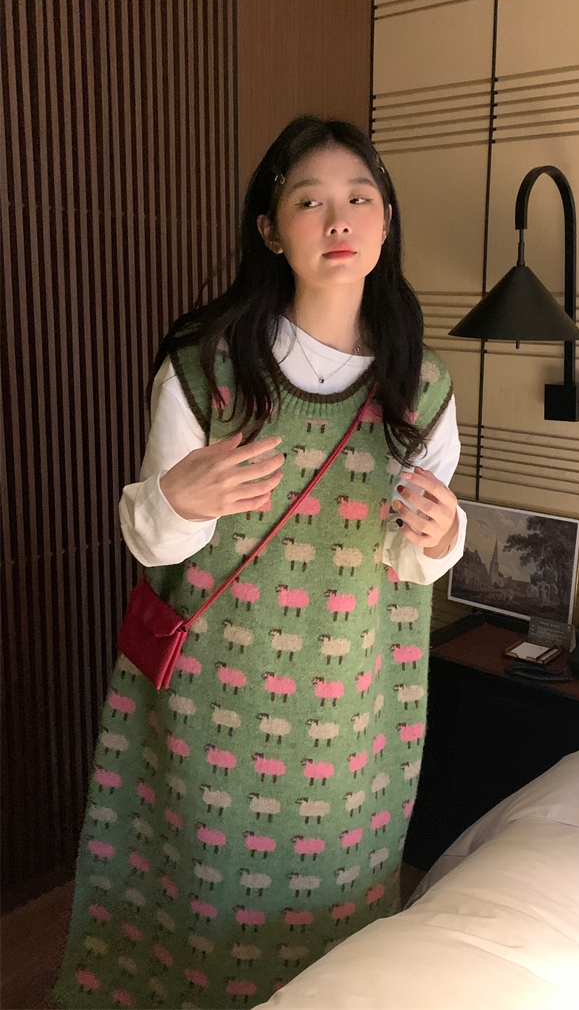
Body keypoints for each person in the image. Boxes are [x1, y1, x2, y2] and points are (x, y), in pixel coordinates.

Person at [53, 115, 466, 1007]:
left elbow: (411, 561)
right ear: (271, 230)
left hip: (354, 706)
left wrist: (443, 536)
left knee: (329, 917)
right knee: (193, 900)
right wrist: (178, 500)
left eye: (359, 198)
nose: (338, 218)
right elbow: (155, 542)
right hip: (210, 701)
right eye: (309, 201)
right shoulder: (206, 367)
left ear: (386, 222)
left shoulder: (421, 386)